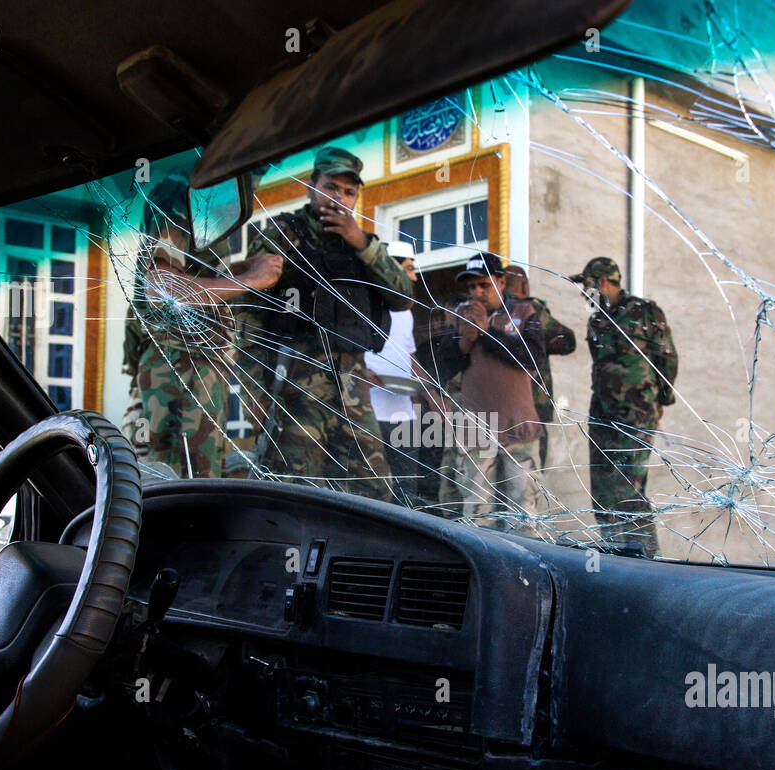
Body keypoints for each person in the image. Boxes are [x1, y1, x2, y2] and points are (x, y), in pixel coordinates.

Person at [234, 146, 413, 502]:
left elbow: (403, 297)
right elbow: (249, 316)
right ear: (311, 187)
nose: (340, 198)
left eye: (349, 192)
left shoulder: (363, 246)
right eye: (331, 187)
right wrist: (254, 393)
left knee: (376, 492)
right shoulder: (281, 235)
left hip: (353, 389)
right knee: (298, 493)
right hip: (295, 386)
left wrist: (361, 243)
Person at [122, 173, 282, 478]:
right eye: (248, 182)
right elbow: (163, 290)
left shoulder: (203, 219)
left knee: (199, 485)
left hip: (194, 368)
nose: (249, 194)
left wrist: (237, 271)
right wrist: (247, 280)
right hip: (179, 367)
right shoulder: (178, 202)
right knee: (184, 491)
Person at [571, 256, 678, 557]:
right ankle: (613, 554)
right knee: (603, 491)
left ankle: (645, 557)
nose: (583, 292)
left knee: (628, 490)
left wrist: (661, 402)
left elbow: (667, 358)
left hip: (636, 414)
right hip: (603, 414)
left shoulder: (645, 311)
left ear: (602, 282)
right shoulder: (596, 320)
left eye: (587, 285)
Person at [434, 252, 547, 533]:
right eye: (472, 287)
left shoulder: (524, 312)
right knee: (477, 509)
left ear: (501, 281)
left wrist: (488, 332)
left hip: (519, 430)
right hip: (475, 433)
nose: (477, 293)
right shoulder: (461, 316)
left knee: (522, 509)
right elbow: (444, 366)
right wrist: (466, 337)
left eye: (484, 285)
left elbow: (533, 358)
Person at [363, 241, 429, 504]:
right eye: (409, 269)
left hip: (404, 417)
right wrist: (366, 375)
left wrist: (431, 392)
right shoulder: (362, 307)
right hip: (369, 417)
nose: (413, 278)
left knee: (407, 495)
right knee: (373, 494)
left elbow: (409, 356)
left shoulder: (406, 313)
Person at [505, 264, 576, 467]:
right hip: (533, 405)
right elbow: (568, 341)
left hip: (500, 406)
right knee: (530, 473)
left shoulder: (493, 311)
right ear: (525, 287)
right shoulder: (530, 309)